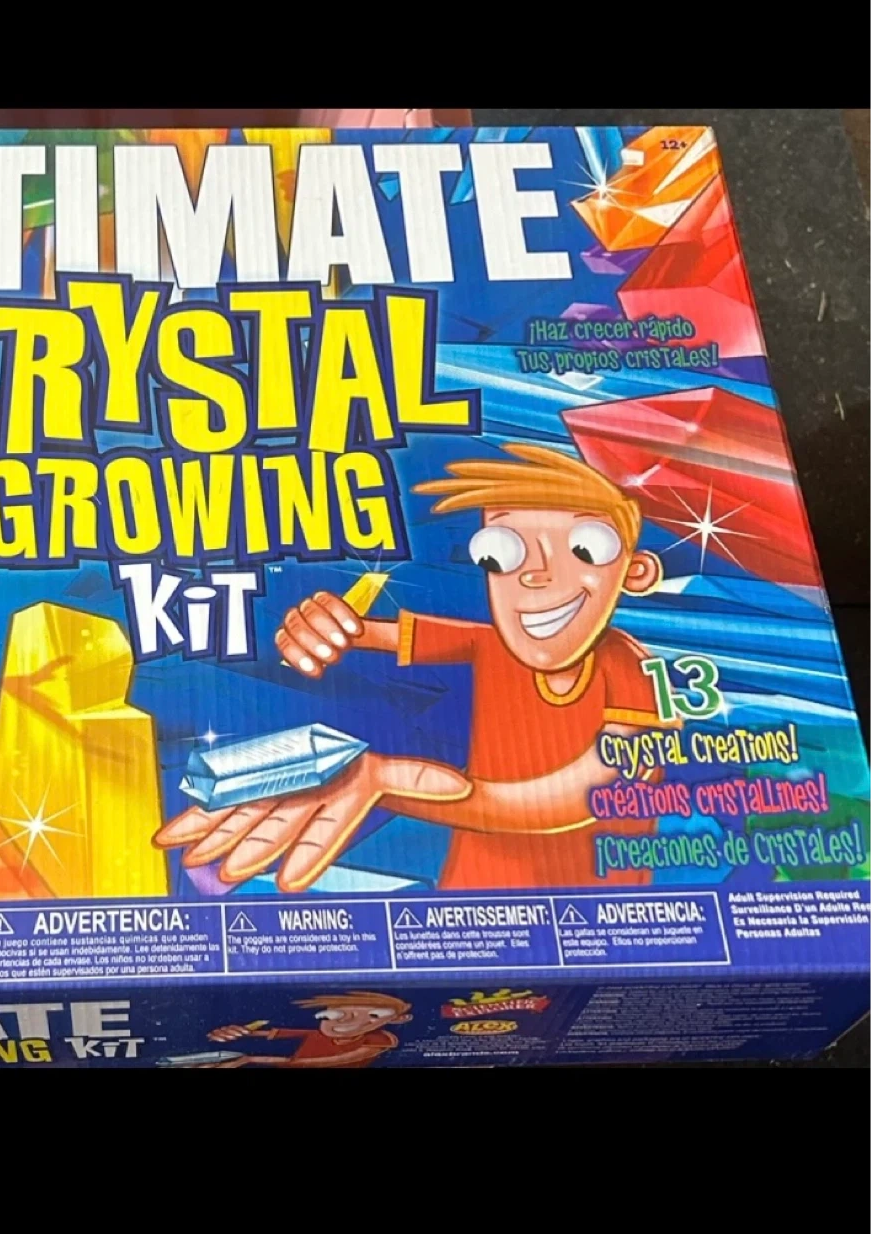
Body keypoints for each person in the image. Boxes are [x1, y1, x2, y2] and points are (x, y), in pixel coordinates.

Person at [157, 443, 675, 891]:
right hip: (466, 900)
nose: (536, 575)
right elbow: (367, 631)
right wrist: (318, 623)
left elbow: (587, 793)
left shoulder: (632, 672)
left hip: (588, 918)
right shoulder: (492, 645)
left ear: (636, 571)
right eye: (502, 553)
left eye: (585, 549)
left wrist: (387, 783)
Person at [202, 992, 412, 1067]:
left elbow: (322, 1062)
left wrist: (249, 1059)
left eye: (374, 1016)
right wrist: (239, 1032)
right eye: (336, 1014)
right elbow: (277, 1033)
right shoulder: (319, 1034)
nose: (347, 1022)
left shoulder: (377, 1040)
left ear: (398, 1019)